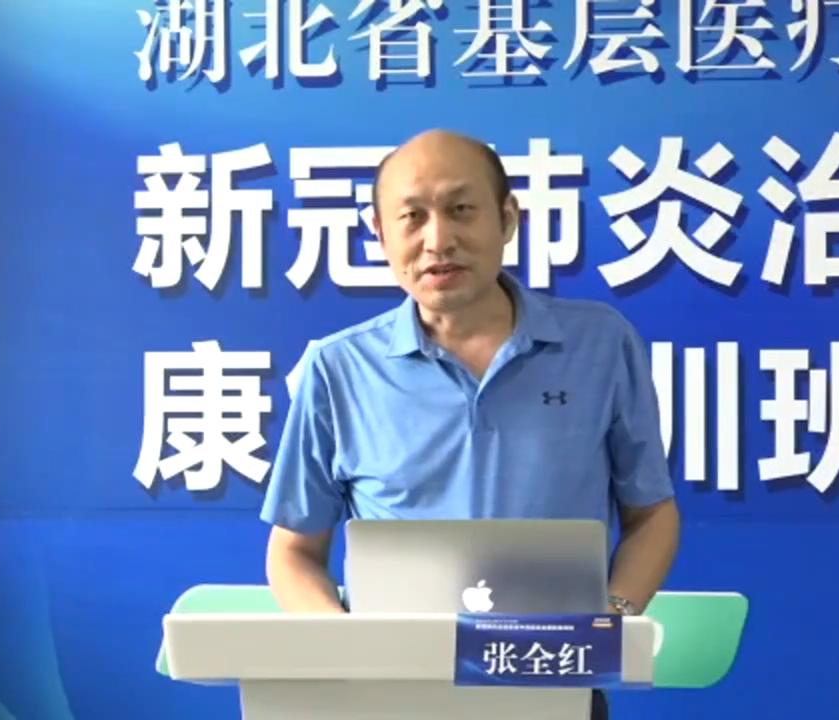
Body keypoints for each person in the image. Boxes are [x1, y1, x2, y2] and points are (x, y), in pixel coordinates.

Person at [260, 129, 680, 719]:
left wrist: (609, 622)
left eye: (461, 209)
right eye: (412, 216)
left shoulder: (600, 343)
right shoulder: (339, 369)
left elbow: (651, 515)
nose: (438, 240)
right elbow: (293, 552)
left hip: (555, 688)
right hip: (391, 697)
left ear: (507, 218)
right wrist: (347, 646)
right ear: (380, 233)